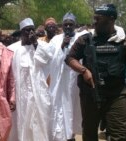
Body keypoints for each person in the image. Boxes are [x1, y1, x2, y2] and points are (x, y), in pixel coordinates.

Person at [65, 4, 126, 141]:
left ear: (111, 19)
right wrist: (83, 70)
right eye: (94, 18)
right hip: (90, 95)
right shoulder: (85, 39)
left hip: (116, 95)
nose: (94, 22)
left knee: (119, 136)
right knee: (89, 134)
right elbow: (69, 58)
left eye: (98, 19)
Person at [47, 12, 89, 141]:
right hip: (60, 81)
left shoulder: (81, 38)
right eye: (66, 25)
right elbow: (50, 58)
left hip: (75, 81)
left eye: (71, 24)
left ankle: (71, 135)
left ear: (75, 25)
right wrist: (62, 47)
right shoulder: (56, 39)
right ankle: (61, 136)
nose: (68, 27)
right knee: (59, 107)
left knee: (74, 108)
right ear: (62, 26)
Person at [8, 18, 51, 141]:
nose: (31, 33)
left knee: (38, 121)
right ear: (21, 32)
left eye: (33, 30)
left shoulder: (42, 46)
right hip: (20, 94)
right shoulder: (12, 49)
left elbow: (46, 60)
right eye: (27, 30)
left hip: (38, 92)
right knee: (20, 121)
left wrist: (36, 44)